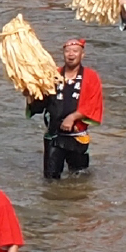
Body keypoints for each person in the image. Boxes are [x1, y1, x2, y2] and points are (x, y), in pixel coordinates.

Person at [30, 37, 103, 178]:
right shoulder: (53, 75)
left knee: (79, 176)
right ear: (63, 54)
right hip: (54, 134)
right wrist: (30, 93)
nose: (71, 54)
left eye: (75, 51)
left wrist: (73, 117)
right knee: (50, 178)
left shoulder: (91, 76)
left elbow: (93, 103)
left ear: (82, 55)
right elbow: (40, 103)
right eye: (68, 51)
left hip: (77, 136)